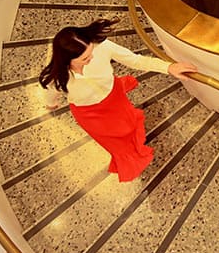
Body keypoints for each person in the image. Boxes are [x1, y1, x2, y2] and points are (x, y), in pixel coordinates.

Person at [38, 19, 198, 182]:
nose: (92, 57)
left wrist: (168, 67)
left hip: (114, 98)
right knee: (114, 140)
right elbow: (51, 92)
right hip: (90, 114)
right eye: (85, 58)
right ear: (67, 61)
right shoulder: (56, 76)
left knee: (127, 125)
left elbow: (136, 60)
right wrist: (51, 105)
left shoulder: (102, 47)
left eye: (91, 52)